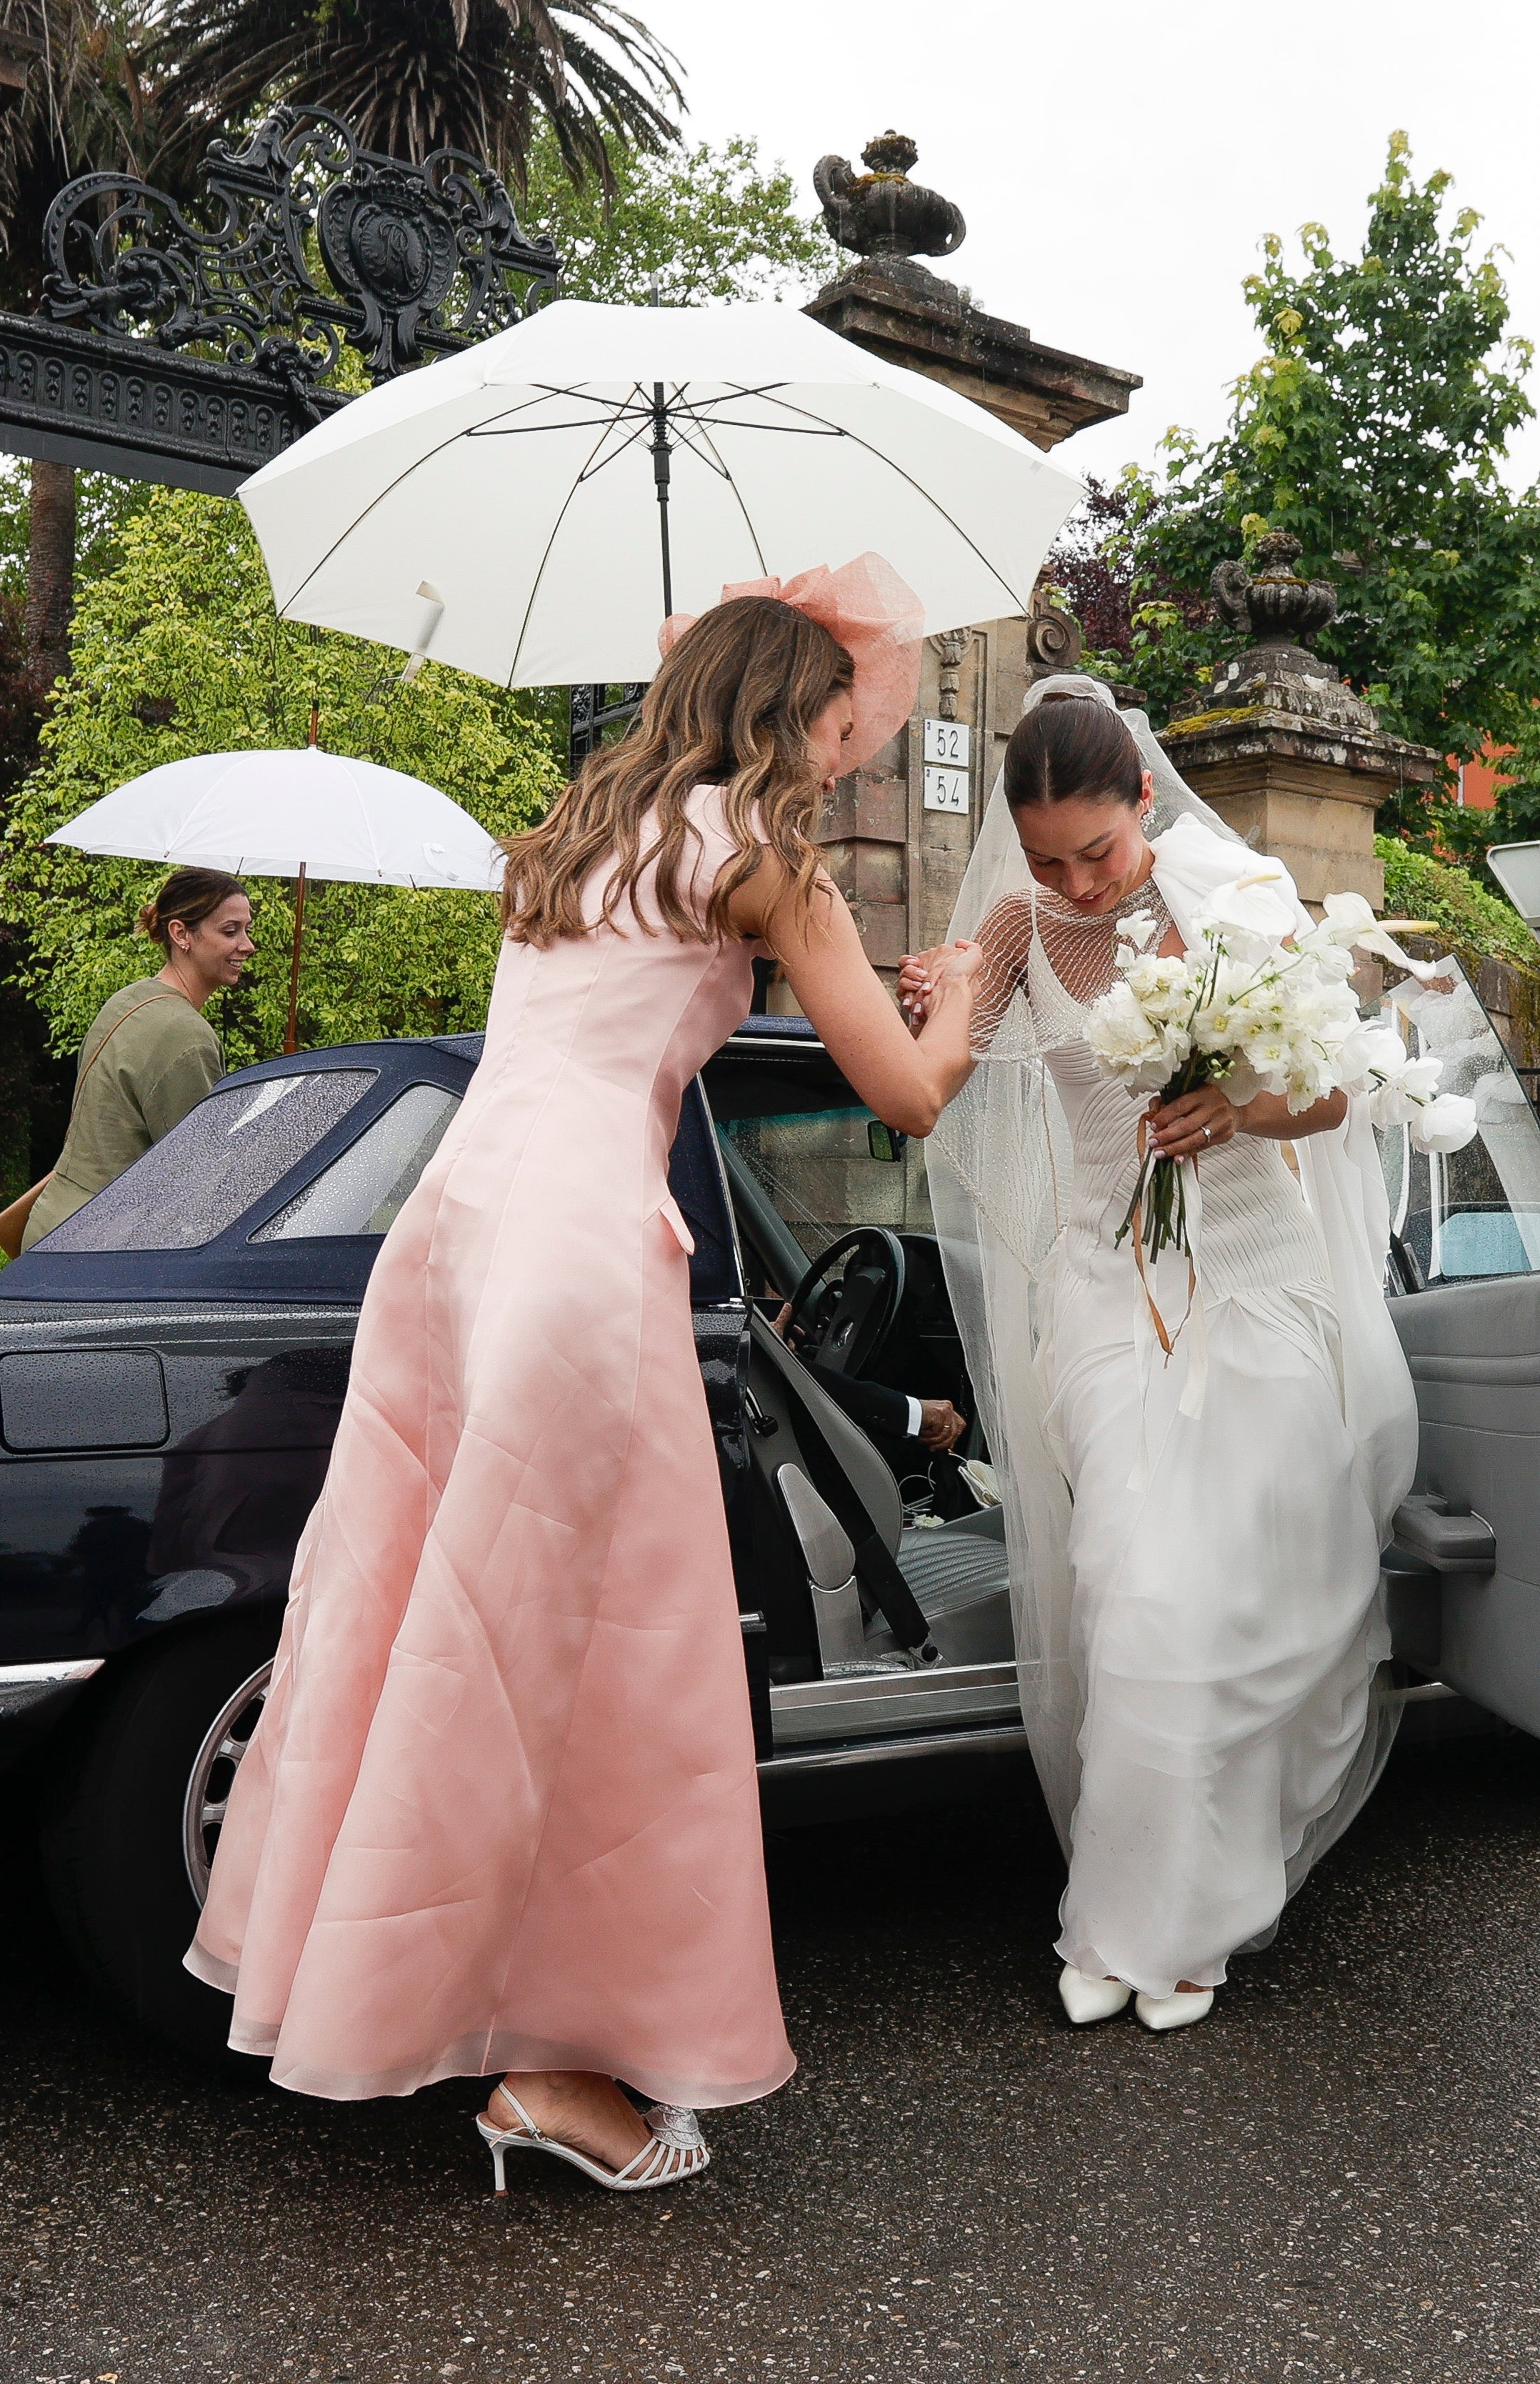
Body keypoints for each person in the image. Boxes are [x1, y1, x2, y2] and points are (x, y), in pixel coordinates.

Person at [189, 555, 979, 2196]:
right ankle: (542, 2071)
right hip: (579, 1257)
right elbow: (905, 1097)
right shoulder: (769, 863)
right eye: (842, 724)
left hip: (453, 1241)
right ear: (789, 714)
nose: (848, 753)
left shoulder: (567, 839)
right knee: (594, 1663)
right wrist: (960, 993)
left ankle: (409, 1993)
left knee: (426, 1616)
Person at [916, 675, 1418, 2036]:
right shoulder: (1017, 925)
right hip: (1102, 1290)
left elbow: (1330, 1093)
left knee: (1236, 1615)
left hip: (1251, 1283)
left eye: (1097, 849)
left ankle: (1188, 1918)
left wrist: (1237, 1107)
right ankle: (1124, 1918)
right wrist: (934, 995)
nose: (1078, 882)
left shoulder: (1236, 898)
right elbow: (935, 1074)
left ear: (1145, 797)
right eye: (1047, 861)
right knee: (1137, 1601)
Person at [19, 869, 257, 1248]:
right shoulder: (186, 1035)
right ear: (181, 934)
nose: (248, 945)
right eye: (230, 932)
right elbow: (197, 1178)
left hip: (55, 1225)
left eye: (246, 930)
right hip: (103, 1244)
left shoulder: (130, 1000)